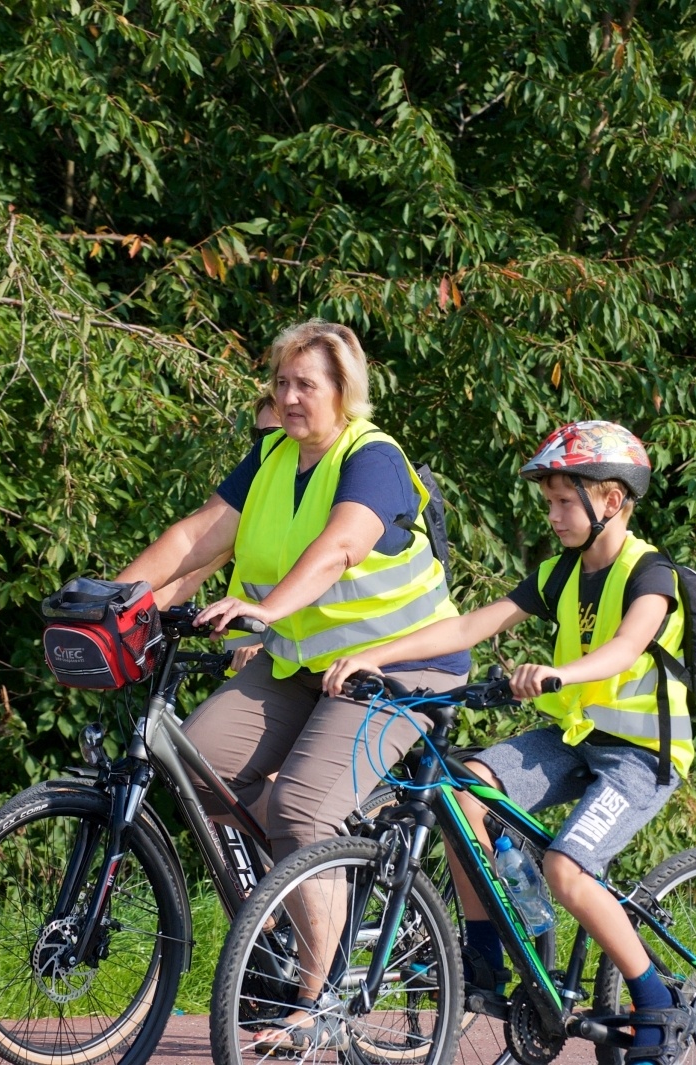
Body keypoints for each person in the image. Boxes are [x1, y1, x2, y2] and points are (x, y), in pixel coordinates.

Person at [116, 319, 469, 1049]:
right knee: (198, 764)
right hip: (305, 668)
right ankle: (294, 900)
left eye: (307, 382)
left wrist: (267, 608)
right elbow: (196, 535)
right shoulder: (273, 456)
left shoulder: (372, 459)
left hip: (402, 669)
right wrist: (111, 596)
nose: (290, 394)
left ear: (346, 391)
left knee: (302, 808)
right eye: (282, 381)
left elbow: (340, 547)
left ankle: (316, 999)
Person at [323, 421, 690, 1062]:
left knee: (567, 868)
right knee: (465, 793)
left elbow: (625, 648)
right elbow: (472, 624)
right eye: (547, 502)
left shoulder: (650, 574)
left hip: (640, 755)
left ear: (610, 501)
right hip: (576, 740)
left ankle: (655, 998)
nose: (551, 514)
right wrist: (375, 654)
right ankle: (483, 955)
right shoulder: (562, 573)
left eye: (562, 502)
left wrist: (557, 674)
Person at [153, 392, 282, 673]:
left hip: (318, 665)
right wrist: (117, 623)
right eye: (258, 437)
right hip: (248, 664)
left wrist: (268, 648)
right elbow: (186, 573)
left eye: (274, 435)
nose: (265, 447)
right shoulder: (253, 505)